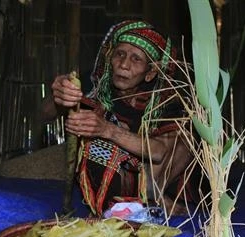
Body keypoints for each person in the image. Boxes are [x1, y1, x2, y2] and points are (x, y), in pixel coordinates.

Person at [49, 20, 197, 216]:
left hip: (156, 172)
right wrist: (59, 95)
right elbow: (45, 113)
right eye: (120, 54)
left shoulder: (167, 99)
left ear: (150, 72)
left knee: (187, 137)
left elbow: (159, 151)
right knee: (97, 148)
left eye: (136, 59)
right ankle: (123, 202)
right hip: (120, 168)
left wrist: (107, 129)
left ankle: (153, 192)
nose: (124, 64)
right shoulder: (96, 83)